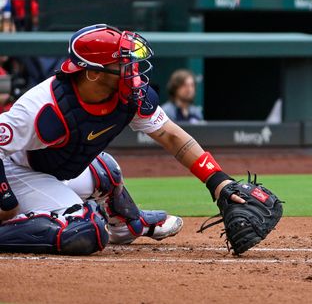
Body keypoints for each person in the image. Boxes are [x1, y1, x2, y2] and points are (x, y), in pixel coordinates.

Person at [0, 24, 273, 254]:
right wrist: (6, 201)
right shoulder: (41, 108)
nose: (131, 69)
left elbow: (170, 135)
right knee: (84, 230)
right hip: (16, 171)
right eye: (121, 63)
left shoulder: (128, 95)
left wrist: (218, 181)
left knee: (107, 171)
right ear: (93, 73)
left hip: (51, 168)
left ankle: (128, 225)